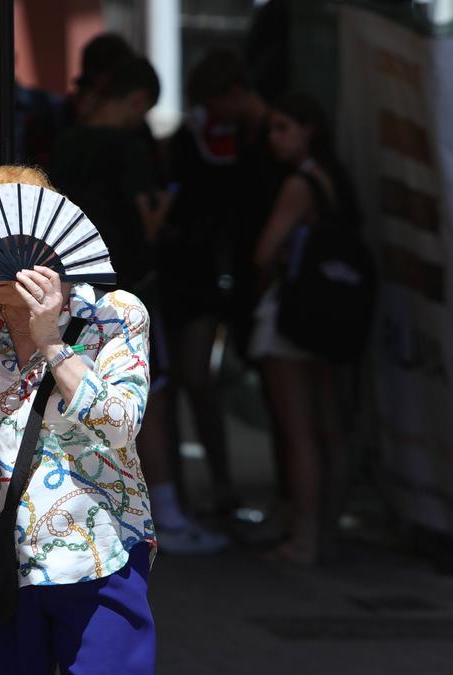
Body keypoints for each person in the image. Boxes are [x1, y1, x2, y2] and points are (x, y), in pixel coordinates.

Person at [0, 166, 157, 674]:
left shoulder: (115, 314)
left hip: (98, 555)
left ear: (47, 238)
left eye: (7, 240)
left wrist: (52, 344)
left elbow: (122, 424)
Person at [50, 55, 226, 554]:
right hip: (126, 288)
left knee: (77, 400)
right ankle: (164, 515)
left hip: (69, 289)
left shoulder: (66, 142)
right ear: (133, 99)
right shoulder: (127, 147)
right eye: (143, 107)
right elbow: (148, 222)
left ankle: (103, 513)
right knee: (148, 403)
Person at [162, 48, 274, 518]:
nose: (209, 113)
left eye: (213, 102)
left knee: (204, 381)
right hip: (199, 275)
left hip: (240, 276)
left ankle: (225, 485)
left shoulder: (266, 136)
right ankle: (204, 488)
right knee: (191, 380)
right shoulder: (198, 138)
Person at [250, 93, 358, 564]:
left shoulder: (299, 184)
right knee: (328, 426)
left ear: (308, 128)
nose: (274, 138)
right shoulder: (335, 179)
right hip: (333, 317)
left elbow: (263, 253)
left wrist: (270, 272)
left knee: (299, 432)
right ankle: (329, 532)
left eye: (282, 128)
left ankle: (305, 538)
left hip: (294, 316)